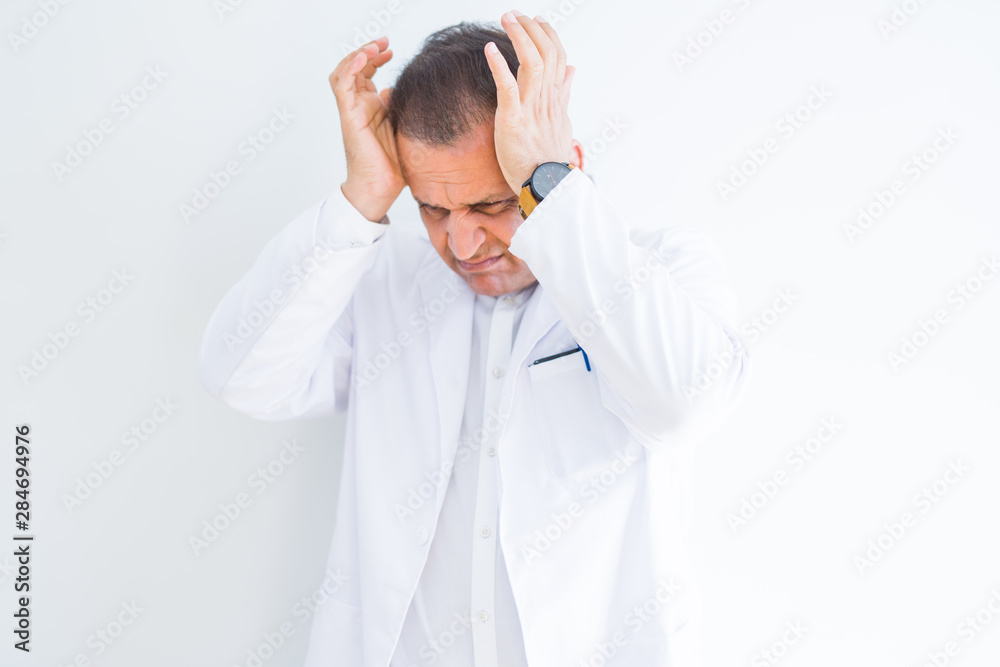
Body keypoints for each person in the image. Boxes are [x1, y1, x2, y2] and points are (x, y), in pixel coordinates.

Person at [197, 11, 750, 666]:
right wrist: (361, 199)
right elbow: (242, 377)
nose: (461, 245)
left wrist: (549, 186)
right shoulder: (380, 279)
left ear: (564, 165)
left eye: (490, 206)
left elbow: (684, 403)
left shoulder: (661, 270)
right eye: (433, 209)